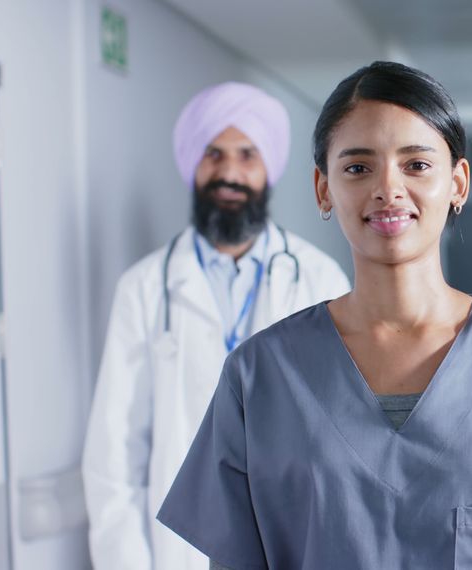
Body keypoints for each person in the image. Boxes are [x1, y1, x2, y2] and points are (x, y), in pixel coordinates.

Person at [156, 61, 472, 570]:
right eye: (357, 168)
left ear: (458, 182)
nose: (388, 189)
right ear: (323, 188)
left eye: (416, 165)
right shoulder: (259, 375)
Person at [82, 82, 351, 570]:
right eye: (214, 154)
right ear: (193, 165)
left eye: (247, 154)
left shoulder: (318, 279)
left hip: (291, 541)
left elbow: (341, 437)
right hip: (178, 549)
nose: (229, 172)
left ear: (268, 168)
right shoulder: (143, 289)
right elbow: (114, 453)